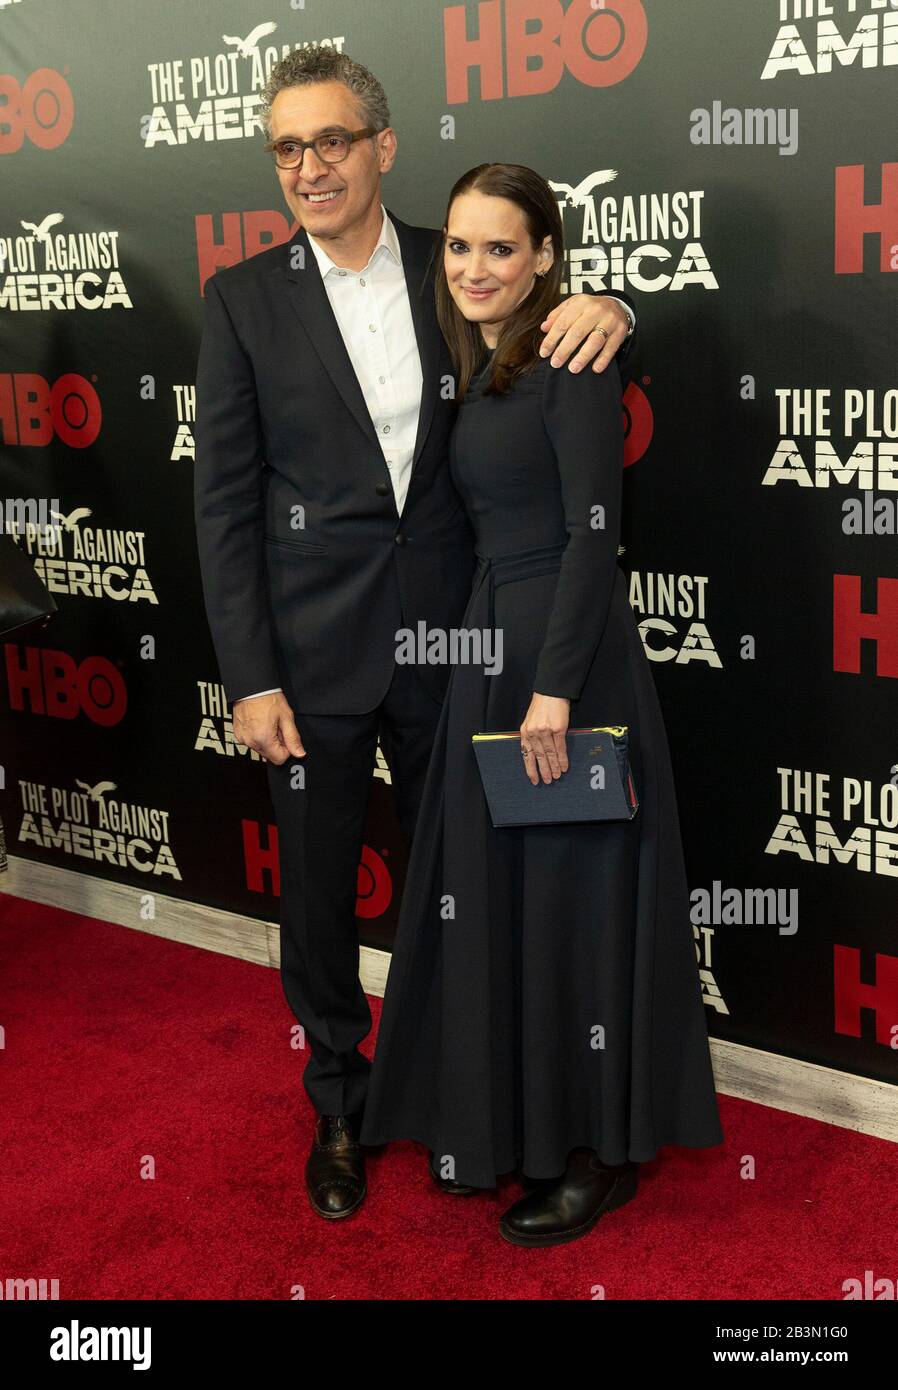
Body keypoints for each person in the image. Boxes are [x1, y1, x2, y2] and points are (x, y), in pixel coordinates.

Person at [193, 45, 639, 1222]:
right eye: (287, 146)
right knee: (321, 900)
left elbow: (539, 313)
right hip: (314, 658)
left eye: (332, 140)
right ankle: (340, 1103)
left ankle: (477, 1094)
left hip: (468, 647)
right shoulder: (242, 298)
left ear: (383, 146)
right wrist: (249, 676)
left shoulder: (453, 271)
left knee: (491, 882)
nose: (310, 166)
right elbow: (224, 505)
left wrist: (605, 299)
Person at [359, 163, 724, 1247]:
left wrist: (555, 694)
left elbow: (590, 537)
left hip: (563, 665)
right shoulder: (480, 358)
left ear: (546, 256)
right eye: (460, 248)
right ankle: (514, 1125)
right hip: (491, 651)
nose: (474, 268)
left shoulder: (569, 355)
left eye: (501, 248)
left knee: (576, 904)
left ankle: (601, 1154)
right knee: (513, 900)